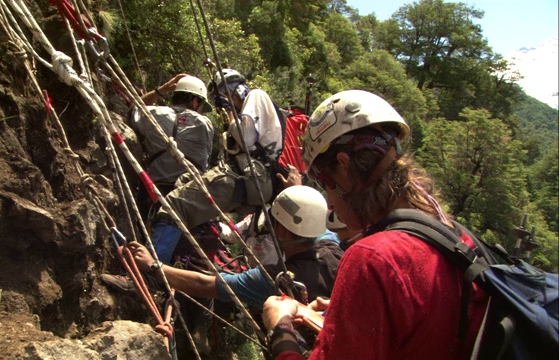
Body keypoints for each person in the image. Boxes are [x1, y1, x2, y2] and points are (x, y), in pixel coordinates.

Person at [260, 90, 490, 359]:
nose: (330, 205)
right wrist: (349, 308)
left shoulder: (373, 260)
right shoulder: (455, 236)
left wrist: (280, 328)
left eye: (325, 184)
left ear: (343, 165)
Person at [108, 185, 343, 310]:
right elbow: (311, 221)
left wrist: (153, 265)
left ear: (281, 231)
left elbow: (207, 284)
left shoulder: (276, 280)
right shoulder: (332, 248)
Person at [149, 68, 283, 264]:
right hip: (249, 178)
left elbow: (245, 137)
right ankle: (183, 256)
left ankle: (151, 270)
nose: (220, 105)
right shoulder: (244, 116)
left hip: (249, 175)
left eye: (220, 99)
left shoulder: (256, 96)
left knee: (174, 204)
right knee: (184, 182)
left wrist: (230, 114)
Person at [129, 74, 215, 221]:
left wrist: (162, 89)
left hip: (154, 193)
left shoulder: (153, 114)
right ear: (195, 101)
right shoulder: (204, 124)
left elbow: (133, 108)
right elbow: (205, 158)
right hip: (189, 195)